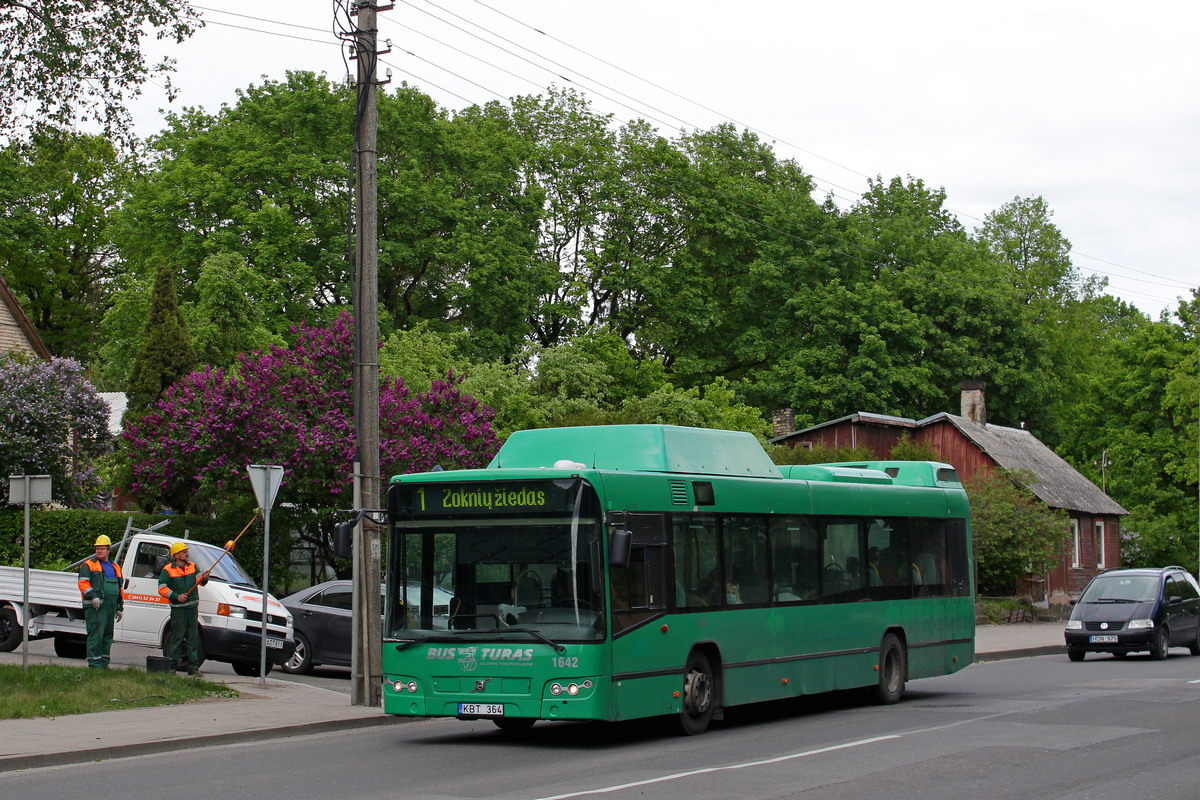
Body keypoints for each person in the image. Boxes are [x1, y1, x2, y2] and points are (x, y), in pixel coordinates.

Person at [158, 541, 209, 676]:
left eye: (186, 552)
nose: (187, 554)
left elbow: (201, 582)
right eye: (183, 552)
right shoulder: (168, 569)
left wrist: (205, 578)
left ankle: (193, 668)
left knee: (193, 638)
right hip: (178, 609)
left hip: (192, 608)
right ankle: (171, 667)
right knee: (177, 637)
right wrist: (176, 596)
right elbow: (162, 588)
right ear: (176, 555)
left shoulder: (193, 566)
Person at [78, 534, 125, 669]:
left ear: (109, 550)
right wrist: (93, 597)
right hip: (96, 607)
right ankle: (94, 664)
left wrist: (119, 607)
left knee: (107, 636)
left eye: (102, 549)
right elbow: (83, 583)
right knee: (96, 636)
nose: (99, 551)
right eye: (97, 549)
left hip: (110, 607)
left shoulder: (115, 567)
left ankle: (104, 664)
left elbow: (119, 588)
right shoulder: (88, 565)